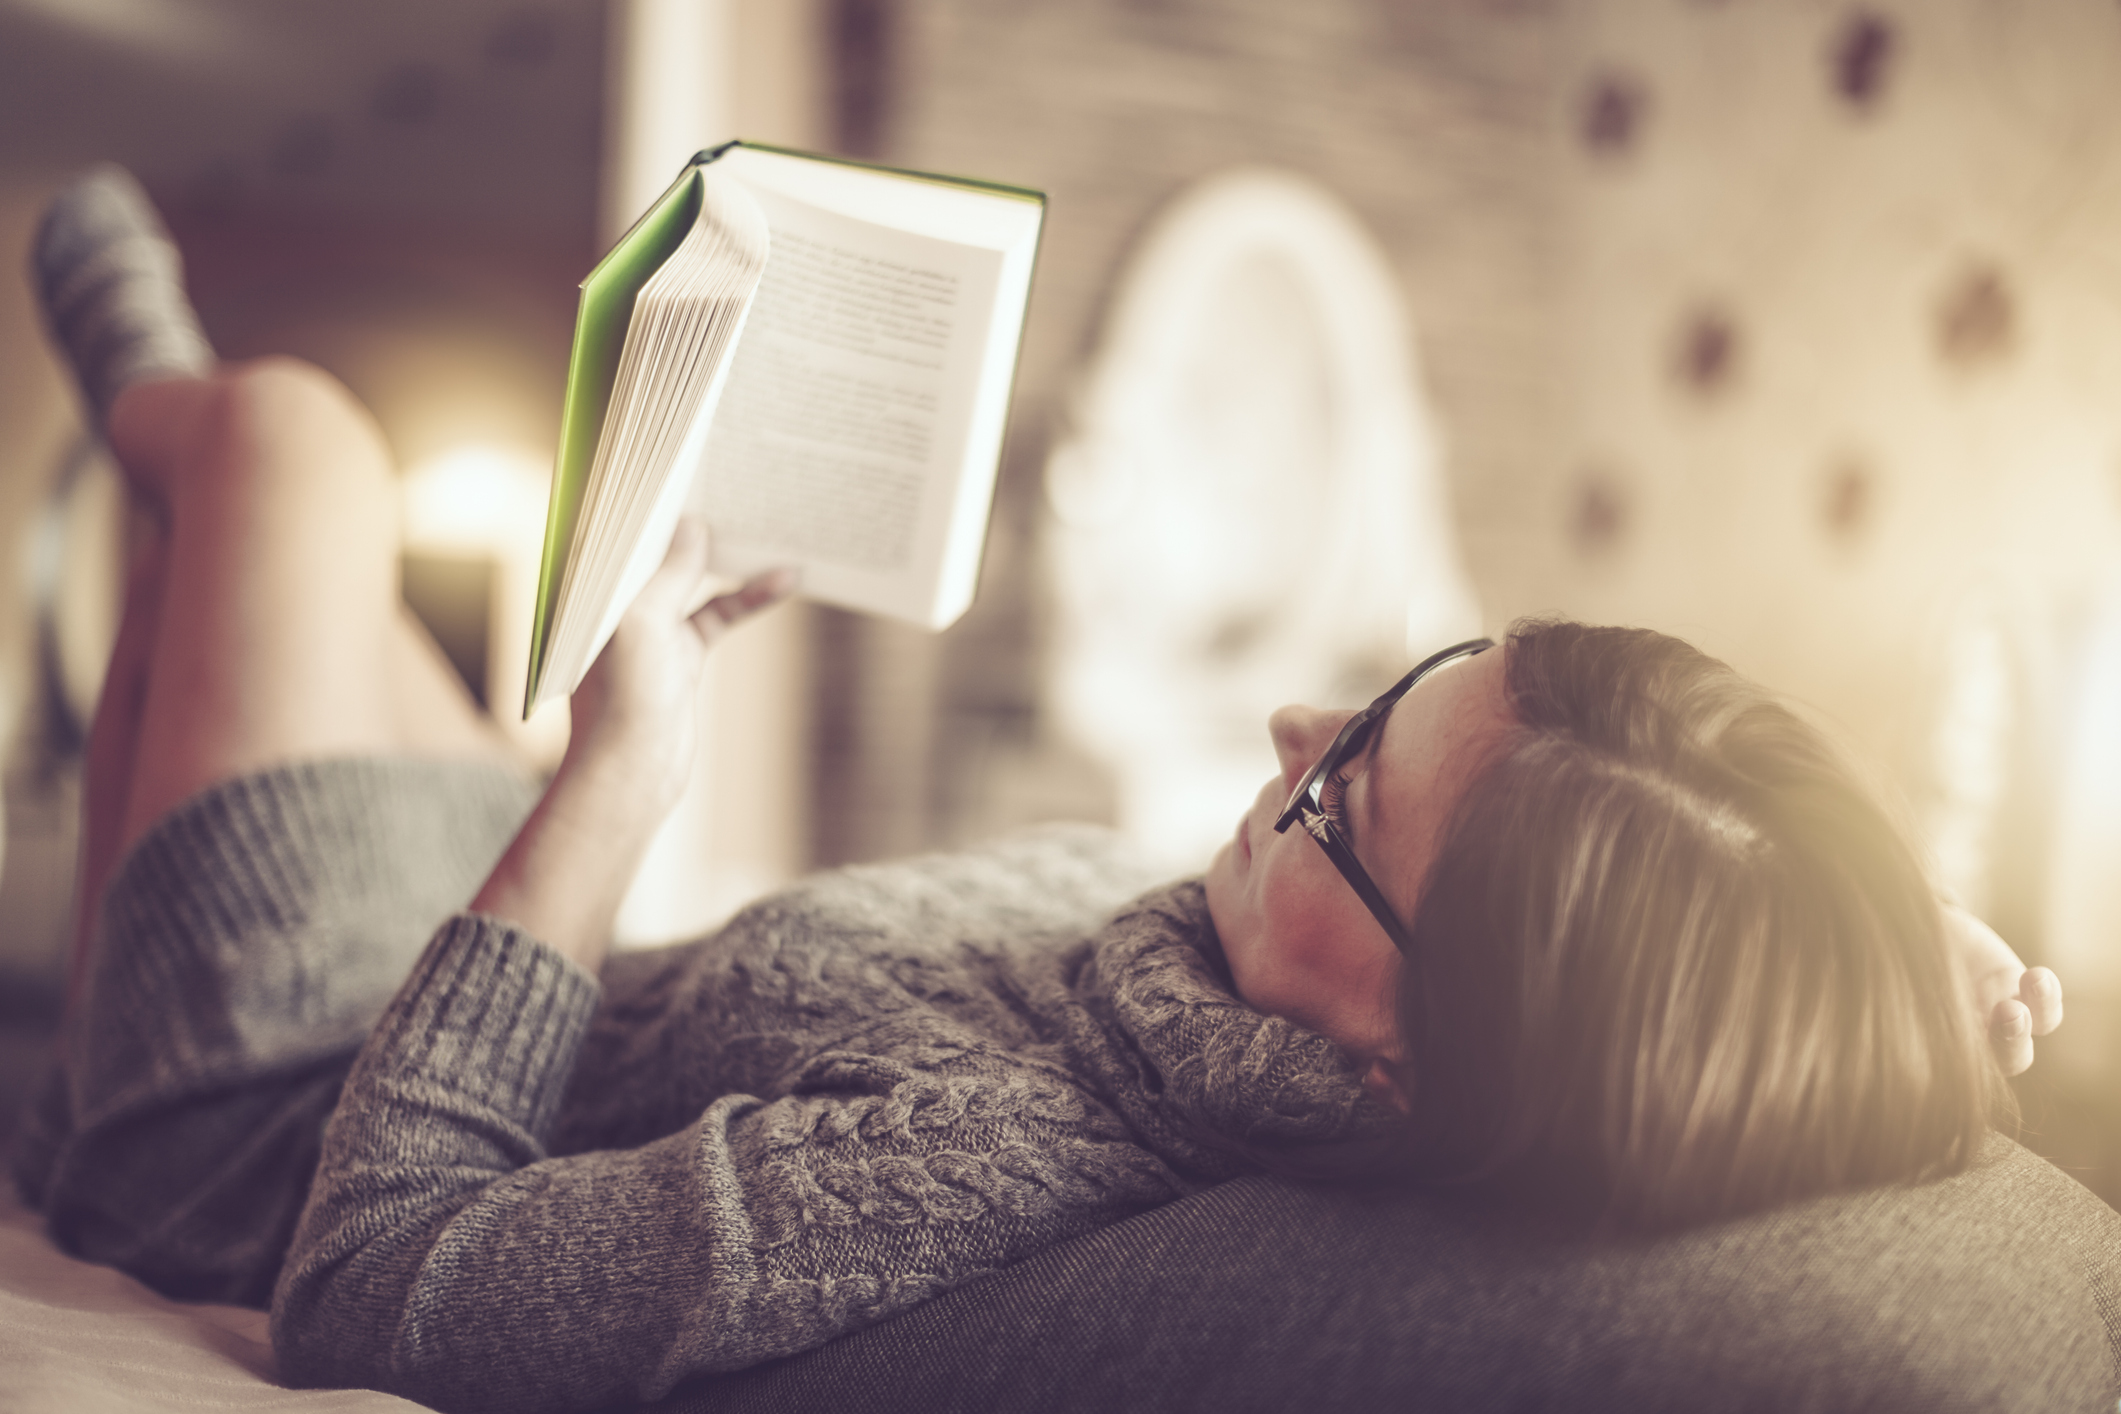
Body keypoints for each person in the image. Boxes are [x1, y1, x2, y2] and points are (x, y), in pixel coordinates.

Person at [11, 168, 2063, 1414]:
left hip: (284, 1125)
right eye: (1392, 689)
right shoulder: (1250, 974)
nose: (1290, 732)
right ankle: (161, 495)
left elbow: (371, 1279)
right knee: (288, 570)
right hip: (483, 978)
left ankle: (138, 376)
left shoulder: (977, 1168)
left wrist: (628, 766)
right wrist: (1879, 932)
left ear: (1402, 1066)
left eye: (1346, 792)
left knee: (294, 452)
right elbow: (1673, 949)